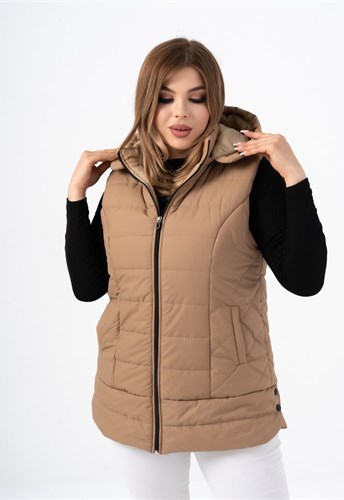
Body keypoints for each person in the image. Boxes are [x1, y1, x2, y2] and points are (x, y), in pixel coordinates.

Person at [65, 37, 327, 499]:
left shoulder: (250, 175)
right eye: (165, 98)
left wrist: (294, 178)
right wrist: (75, 199)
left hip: (231, 406)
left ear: (215, 103)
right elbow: (88, 288)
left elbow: (305, 281)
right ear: (146, 103)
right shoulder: (123, 180)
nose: (180, 113)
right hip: (136, 406)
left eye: (197, 98)